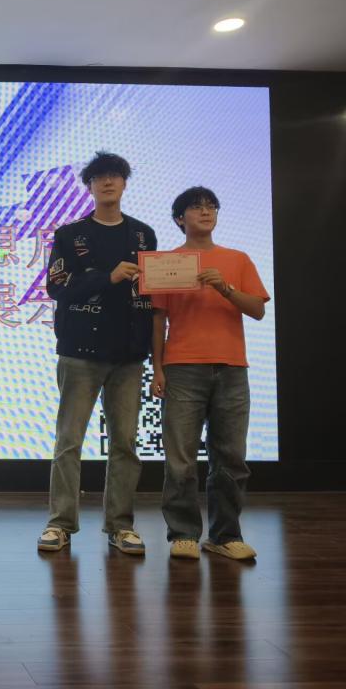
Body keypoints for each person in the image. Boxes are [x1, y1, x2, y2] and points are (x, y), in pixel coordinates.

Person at [38, 152, 157, 555]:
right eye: (100, 177)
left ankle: (120, 526)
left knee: (125, 444)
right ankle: (60, 523)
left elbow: (152, 291)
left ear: (124, 183)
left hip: (129, 355)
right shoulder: (70, 234)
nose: (108, 183)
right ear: (89, 186)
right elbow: (56, 287)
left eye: (115, 176)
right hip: (80, 352)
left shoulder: (143, 235)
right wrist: (108, 277)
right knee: (69, 441)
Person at [152, 187, 269, 561]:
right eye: (196, 207)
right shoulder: (167, 263)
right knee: (180, 458)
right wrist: (157, 368)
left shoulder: (237, 259)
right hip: (182, 366)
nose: (205, 212)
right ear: (179, 218)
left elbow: (257, 310)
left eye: (211, 206)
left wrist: (225, 288)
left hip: (232, 367)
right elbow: (158, 319)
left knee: (231, 457)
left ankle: (225, 535)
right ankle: (183, 534)